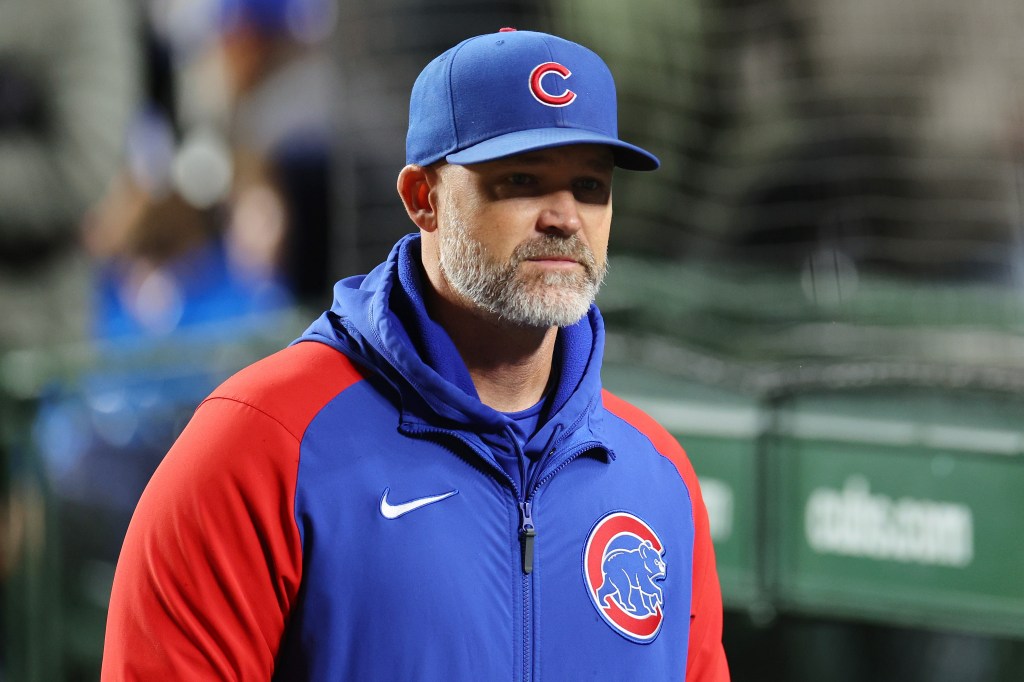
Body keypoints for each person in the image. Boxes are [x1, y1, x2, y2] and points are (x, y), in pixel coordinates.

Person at [101, 28, 729, 680]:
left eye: (590, 186)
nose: (564, 217)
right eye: (521, 180)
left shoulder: (658, 477)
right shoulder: (264, 443)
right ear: (422, 199)